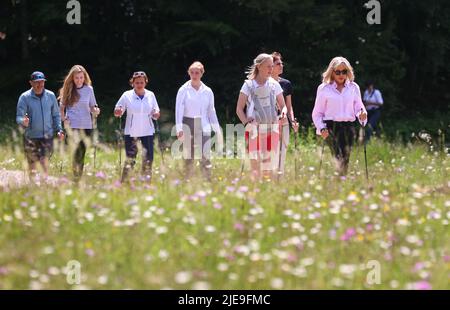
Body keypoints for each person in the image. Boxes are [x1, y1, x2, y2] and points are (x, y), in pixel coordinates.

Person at [312, 56, 367, 175]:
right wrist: (321, 127)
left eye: (344, 71)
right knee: (338, 156)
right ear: (332, 72)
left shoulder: (354, 87)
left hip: (349, 126)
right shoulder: (324, 89)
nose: (341, 75)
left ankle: (340, 181)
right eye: (338, 72)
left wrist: (362, 114)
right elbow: (317, 113)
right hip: (331, 127)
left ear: (348, 71)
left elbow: (359, 107)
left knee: (345, 158)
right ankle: (339, 180)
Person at [236, 53, 287, 180]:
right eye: (268, 66)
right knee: (255, 165)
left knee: (268, 166)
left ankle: (267, 192)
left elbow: (283, 106)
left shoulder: (274, 84)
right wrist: (246, 124)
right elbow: (239, 109)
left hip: (272, 129)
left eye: (272, 66)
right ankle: (256, 192)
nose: (271, 69)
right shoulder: (248, 85)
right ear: (259, 66)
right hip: (254, 130)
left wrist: (283, 113)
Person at [175, 61, 221, 181]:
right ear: (189, 73)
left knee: (205, 154)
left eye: (197, 72)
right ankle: (187, 179)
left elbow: (211, 110)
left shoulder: (208, 91)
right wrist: (179, 128)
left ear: (201, 73)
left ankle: (207, 179)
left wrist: (217, 129)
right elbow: (178, 110)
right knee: (188, 155)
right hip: (187, 123)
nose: (194, 75)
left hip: (203, 124)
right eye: (192, 72)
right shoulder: (183, 90)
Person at [16, 71, 65, 180]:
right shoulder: (24, 97)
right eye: (37, 82)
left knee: (44, 161)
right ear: (31, 83)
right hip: (30, 136)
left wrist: (59, 130)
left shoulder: (51, 96)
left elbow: (56, 115)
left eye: (42, 82)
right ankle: (33, 186)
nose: (40, 85)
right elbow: (19, 117)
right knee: (32, 165)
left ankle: (44, 185)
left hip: (47, 136)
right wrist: (23, 121)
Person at [114, 71, 160, 182]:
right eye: (137, 83)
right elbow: (117, 110)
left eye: (142, 82)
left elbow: (156, 111)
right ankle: (125, 182)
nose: (139, 85)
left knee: (148, 159)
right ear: (132, 83)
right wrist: (118, 111)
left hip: (147, 131)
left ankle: (146, 182)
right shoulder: (127, 95)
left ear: (145, 82)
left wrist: (156, 114)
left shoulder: (151, 95)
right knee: (131, 159)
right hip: (131, 131)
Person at [59, 65, 100, 181]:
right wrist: (63, 119)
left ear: (84, 77)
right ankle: (76, 178)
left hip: (86, 125)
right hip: (72, 125)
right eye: (76, 78)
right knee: (77, 152)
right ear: (72, 78)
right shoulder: (68, 89)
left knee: (82, 152)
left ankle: (77, 177)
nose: (79, 80)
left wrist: (96, 110)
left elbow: (93, 105)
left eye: (81, 77)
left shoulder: (89, 90)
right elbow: (61, 108)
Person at [271, 52, 299, 175]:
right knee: (271, 152)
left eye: (282, 63)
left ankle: (279, 179)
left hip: (283, 122)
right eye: (278, 63)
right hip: (269, 122)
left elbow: (289, 106)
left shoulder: (286, 84)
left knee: (282, 151)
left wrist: (292, 120)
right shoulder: (263, 83)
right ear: (270, 66)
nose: (281, 65)